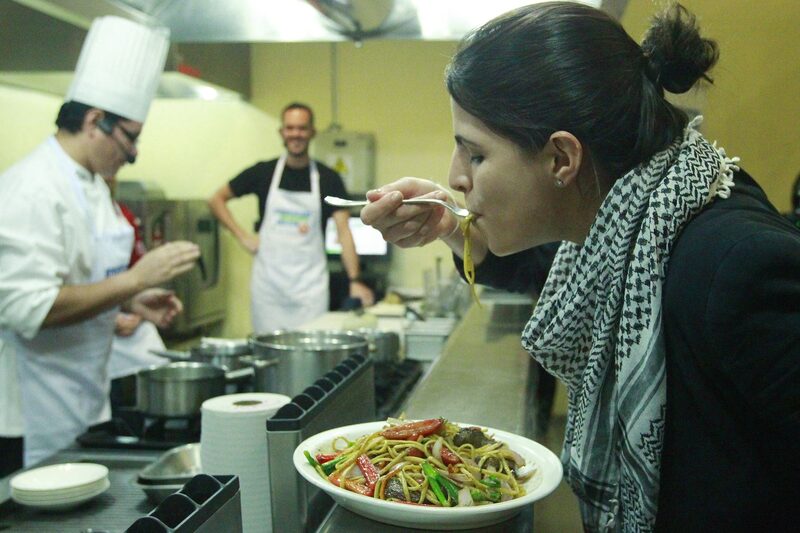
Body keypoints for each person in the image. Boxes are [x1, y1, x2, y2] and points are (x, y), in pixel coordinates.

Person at [360, 2, 799, 531]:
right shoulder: (625, 228)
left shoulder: (734, 265)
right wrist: (451, 227)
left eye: (475, 154)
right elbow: (539, 270)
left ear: (561, 159)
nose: (455, 177)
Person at [0, 16, 200, 468]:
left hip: (83, 398)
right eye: (131, 138)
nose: (133, 153)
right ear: (95, 121)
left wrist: (131, 303)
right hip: (32, 410)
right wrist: (134, 281)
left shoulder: (91, 186)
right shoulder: (32, 190)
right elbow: (32, 308)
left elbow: (81, 280)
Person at [208, 102, 374, 333]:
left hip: (310, 292)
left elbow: (344, 232)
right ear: (282, 132)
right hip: (269, 292)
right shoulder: (263, 172)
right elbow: (216, 199)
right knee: (269, 350)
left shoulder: (329, 179)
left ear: (312, 132)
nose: (296, 134)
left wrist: (355, 281)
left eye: (302, 128)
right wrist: (242, 236)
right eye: (290, 128)